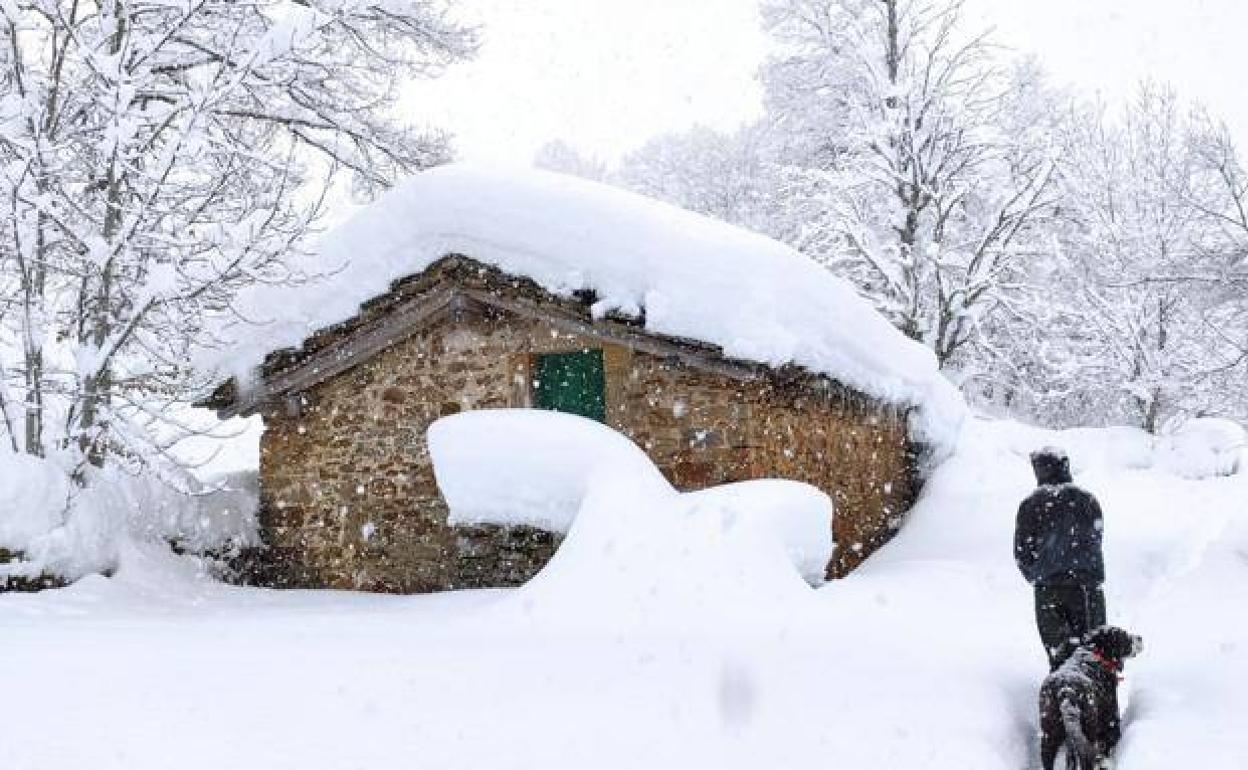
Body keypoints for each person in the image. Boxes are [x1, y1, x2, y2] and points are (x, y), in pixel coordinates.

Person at [1014, 446, 1107, 670]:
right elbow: (1096, 538)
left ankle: (1063, 699)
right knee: (1094, 654)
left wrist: (1039, 574)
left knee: (1060, 657)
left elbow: (1022, 552)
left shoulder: (1031, 505)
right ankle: (1098, 700)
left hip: (1049, 589)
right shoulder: (1087, 500)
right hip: (1087, 587)